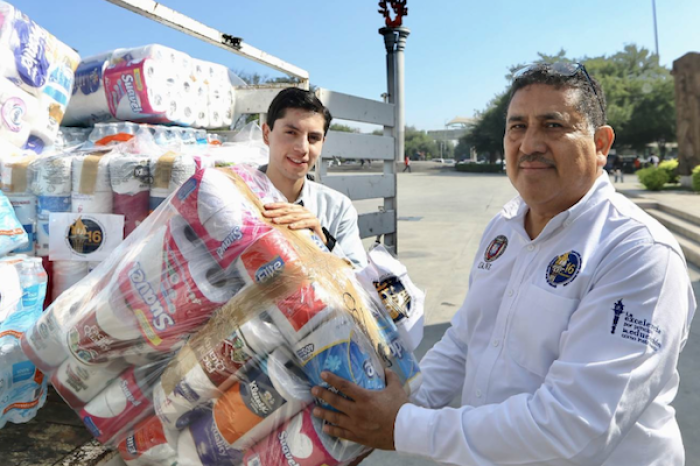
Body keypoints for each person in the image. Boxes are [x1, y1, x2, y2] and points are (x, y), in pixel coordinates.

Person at [310, 63, 696, 465]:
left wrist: (401, 426)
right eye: (517, 126)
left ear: (600, 144)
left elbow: (574, 427)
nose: (529, 144)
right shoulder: (504, 228)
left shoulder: (638, 253)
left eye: (552, 125)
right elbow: (464, 340)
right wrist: (389, 406)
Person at [259, 88, 367, 268]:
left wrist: (323, 242)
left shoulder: (337, 208)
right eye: (291, 133)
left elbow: (361, 281)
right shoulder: (236, 198)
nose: (302, 148)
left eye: (313, 138)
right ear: (266, 134)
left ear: (322, 143)